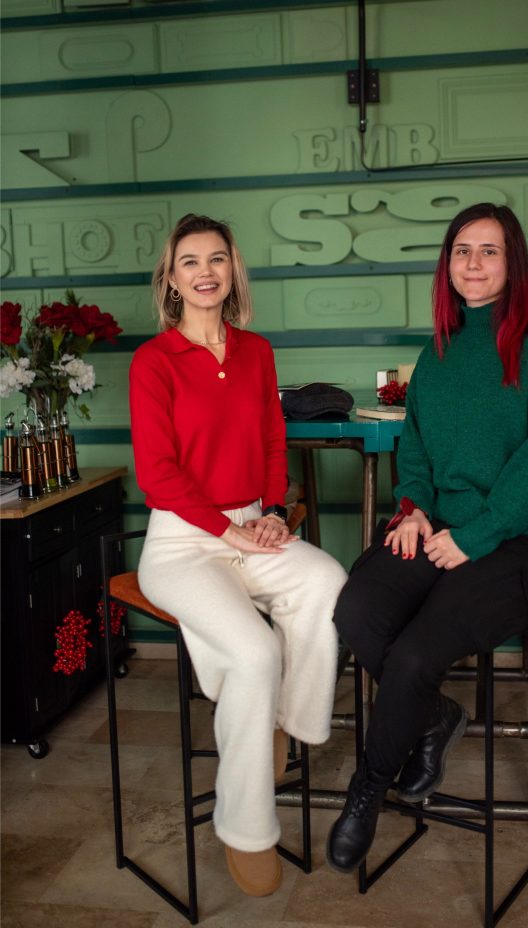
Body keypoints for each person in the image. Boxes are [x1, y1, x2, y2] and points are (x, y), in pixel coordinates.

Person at [327, 202, 528, 873]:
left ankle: (367, 789)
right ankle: (435, 717)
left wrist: (476, 535)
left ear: (512, 263)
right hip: (442, 528)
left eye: (489, 250)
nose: (473, 263)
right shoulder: (435, 352)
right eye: (462, 250)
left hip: (527, 540)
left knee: (415, 652)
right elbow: (414, 446)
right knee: (357, 611)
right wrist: (412, 509)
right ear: (447, 264)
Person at [129, 213, 347, 897]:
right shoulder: (153, 361)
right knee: (253, 652)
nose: (205, 272)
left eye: (216, 259)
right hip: (182, 542)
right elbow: (158, 476)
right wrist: (230, 534)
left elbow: (274, 440)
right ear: (171, 278)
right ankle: (246, 826)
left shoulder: (256, 351)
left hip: (254, 525)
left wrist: (273, 511)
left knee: (327, 579)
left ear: (232, 270)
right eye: (189, 262)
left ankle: (283, 721)